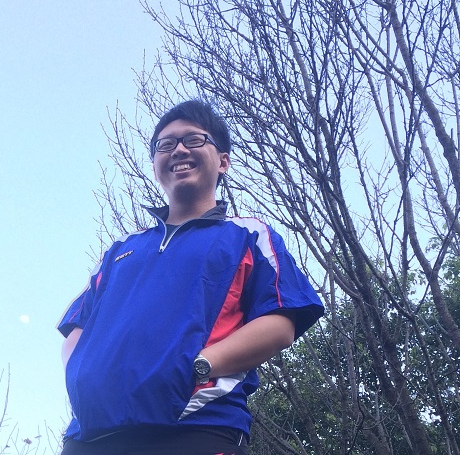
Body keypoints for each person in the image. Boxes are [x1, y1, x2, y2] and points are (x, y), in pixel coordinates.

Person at [57, 100, 324, 455]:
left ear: (223, 161)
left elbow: (280, 322)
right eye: (165, 144)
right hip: (89, 437)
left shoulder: (247, 235)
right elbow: (77, 327)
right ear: (156, 168)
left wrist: (200, 367)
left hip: (196, 427)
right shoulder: (121, 249)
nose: (179, 149)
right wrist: (82, 376)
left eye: (194, 139)